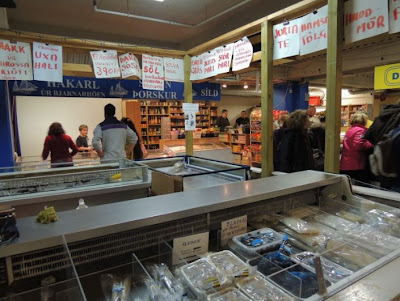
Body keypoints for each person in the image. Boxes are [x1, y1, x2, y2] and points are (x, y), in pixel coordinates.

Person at [340, 111, 374, 183]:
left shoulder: (349, 130)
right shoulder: (360, 131)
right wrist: (371, 144)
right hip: (356, 164)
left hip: (346, 163)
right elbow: (359, 145)